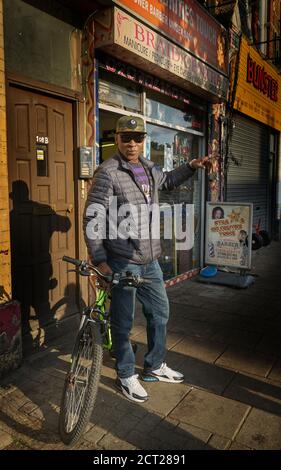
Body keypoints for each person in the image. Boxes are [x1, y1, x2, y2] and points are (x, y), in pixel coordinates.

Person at [83, 115, 209, 403]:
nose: (132, 143)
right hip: (122, 259)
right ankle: (126, 373)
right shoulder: (108, 172)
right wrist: (99, 258)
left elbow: (168, 180)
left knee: (160, 312)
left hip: (150, 259)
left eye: (137, 137)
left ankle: (154, 365)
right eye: (126, 137)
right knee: (123, 321)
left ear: (144, 140)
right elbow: (93, 217)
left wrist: (191, 166)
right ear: (117, 139)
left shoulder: (149, 168)